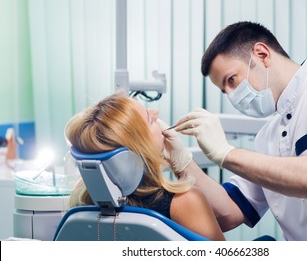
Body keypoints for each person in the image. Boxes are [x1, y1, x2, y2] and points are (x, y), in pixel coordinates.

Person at [164, 21, 307, 240]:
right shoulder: (268, 136)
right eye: (225, 91)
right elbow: (229, 212)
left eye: (232, 80)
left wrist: (227, 154)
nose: (232, 96)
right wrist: (181, 160)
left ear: (262, 54)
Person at [64, 92, 225, 241]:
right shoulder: (185, 202)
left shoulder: (81, 199)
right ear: (141, 146)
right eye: (150, 119)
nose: (156, 112)